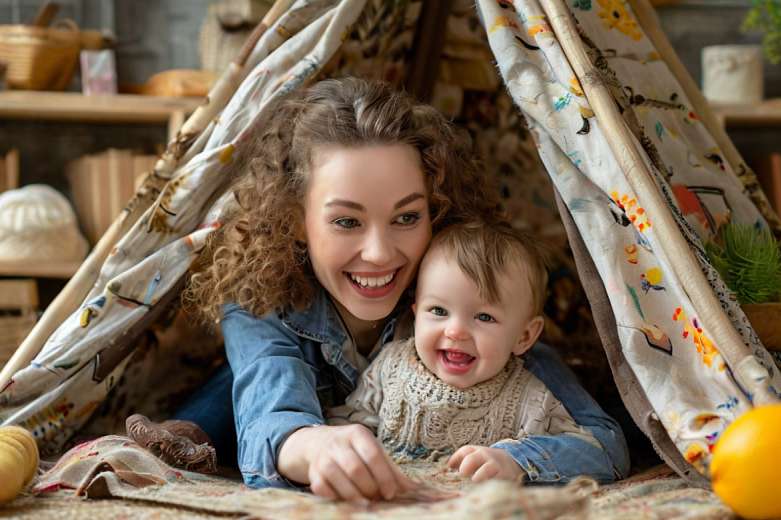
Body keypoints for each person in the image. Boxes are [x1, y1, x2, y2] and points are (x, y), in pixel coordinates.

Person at [178, 77, 629, 505]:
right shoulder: (262, 304)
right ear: (295, 221)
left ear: (435, 210)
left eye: (407, 217)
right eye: (347, 221)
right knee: (239, 378)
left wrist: (521, 460)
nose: (378, 253)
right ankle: (187, 432)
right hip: (283, 391)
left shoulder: (461, 301)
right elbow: (269, 411)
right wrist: (314, 446)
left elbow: (599, 438)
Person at [326, 222, 607, 484]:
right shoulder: (390, 367)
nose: (455, 331)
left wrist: (516, 461)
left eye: (484, 317)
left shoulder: (529, 400)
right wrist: (348, 452)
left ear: (524, 336)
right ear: (415, 317)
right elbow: (352, 419)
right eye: (438, 311)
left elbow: (596, 455)